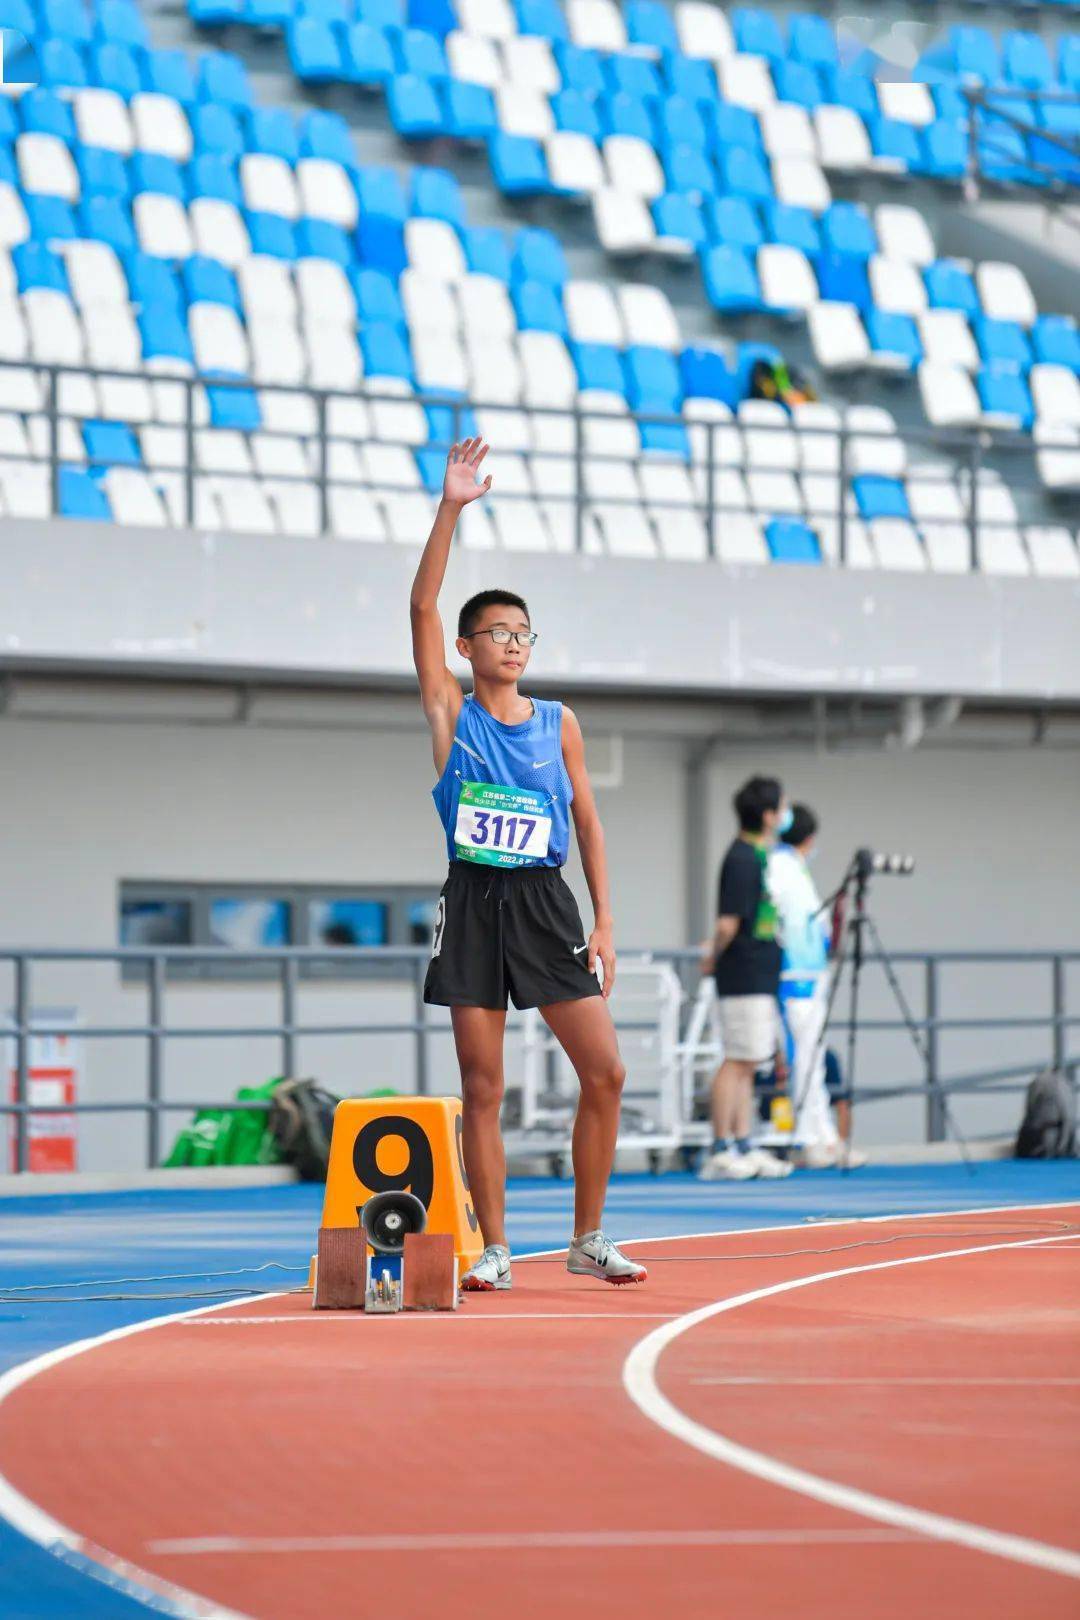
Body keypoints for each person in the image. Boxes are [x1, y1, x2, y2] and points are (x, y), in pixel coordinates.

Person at [409, 438, 646, 1290]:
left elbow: (587, 820)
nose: (513, 644)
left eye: (523, 633)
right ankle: (497, 1248)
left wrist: (606, 920)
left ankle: (587, 1238)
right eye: (497, 633)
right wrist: (451, 509)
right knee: (482, 1085)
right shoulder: (451, 711)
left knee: (607, 1070)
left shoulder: (559, 723)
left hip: (547, 905)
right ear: (468, 650)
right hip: (474, 901)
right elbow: (423, 604)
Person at [698, 776, 793, 1181]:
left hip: (761, 971)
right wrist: (714, 954)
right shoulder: (739, 858)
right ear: (769, 815)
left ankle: (743, 1142)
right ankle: (721, 1147)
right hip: (743, 971)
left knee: (751, 1059)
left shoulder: (759, 856)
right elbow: (727, 922)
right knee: (737, 1058)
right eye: (781, 807)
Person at [771, 807, 867, 1169]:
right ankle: (810, 1137)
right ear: (810, 838)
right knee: (804, 1059)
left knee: (815, 1058)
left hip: (811, 976)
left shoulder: (793, 868)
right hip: (794, 979)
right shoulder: (780, 868)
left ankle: (824, 1135)